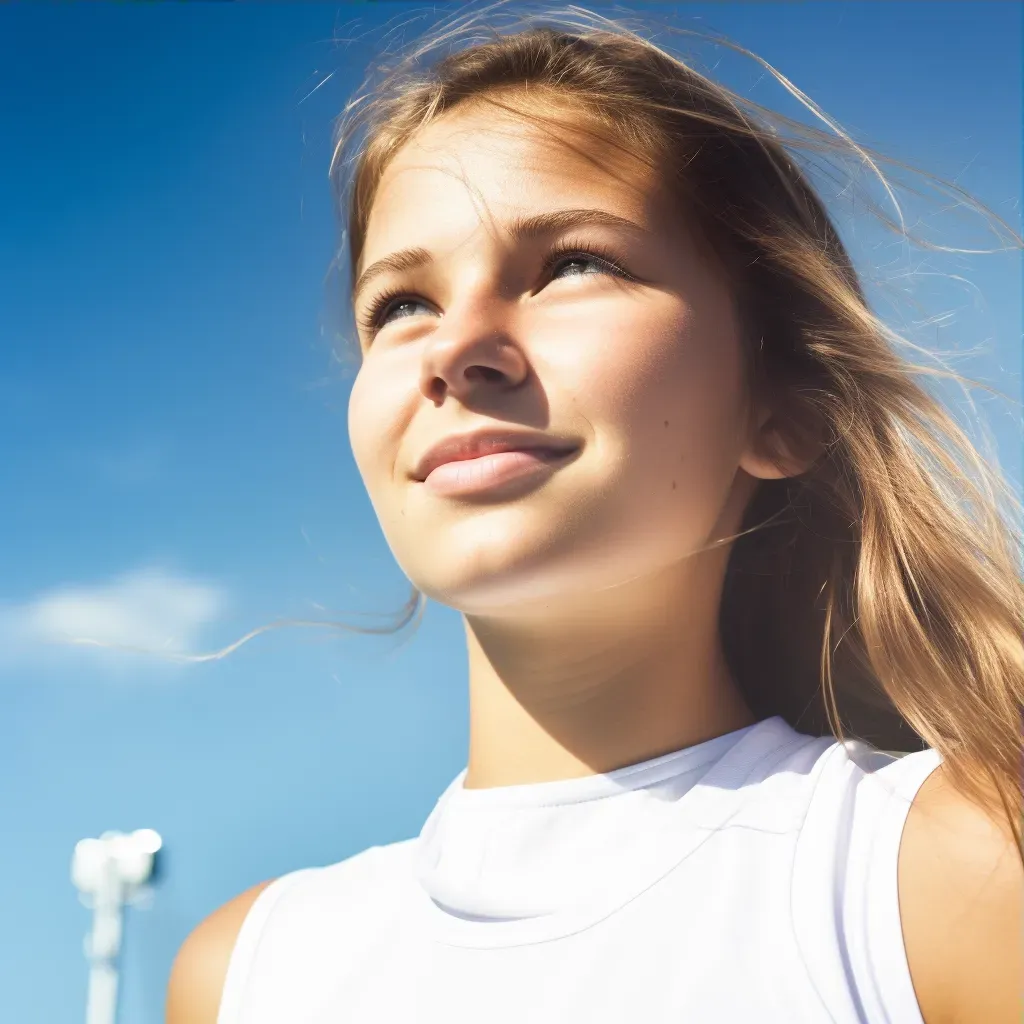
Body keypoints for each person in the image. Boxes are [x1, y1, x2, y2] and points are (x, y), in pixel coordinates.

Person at [166, 5, 1024, 1022]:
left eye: (573, 262)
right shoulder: (247, 973)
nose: (455, 348)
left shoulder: (951, 873)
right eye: (401, 304)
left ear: (779, 409)